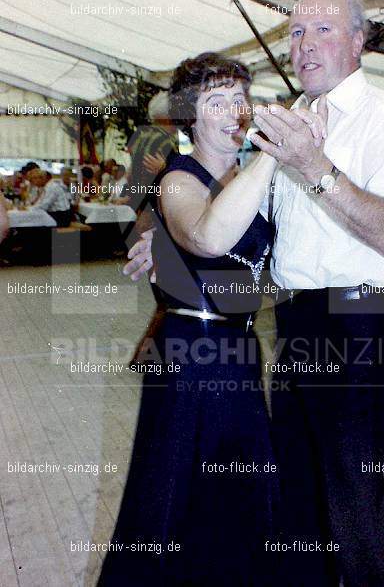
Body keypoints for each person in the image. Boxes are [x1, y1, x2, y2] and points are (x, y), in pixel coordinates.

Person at [99, 53, 326, 586]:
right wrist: (272, 154)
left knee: (238, 489)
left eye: (239, 98)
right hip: (189, 354)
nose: (233, 110)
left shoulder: (253, 181)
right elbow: (206, 236)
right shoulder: (180, 176)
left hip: (239, 352)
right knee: (172, 490)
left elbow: (261, 266)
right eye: (215, 100)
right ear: (190, 117)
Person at [249, 0, 384, 586]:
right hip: (299, 316)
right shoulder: (292, 122)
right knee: (296, 479)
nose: (304, 46)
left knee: (352, 486)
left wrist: (314, 167)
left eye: (322, 31)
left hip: (365, 310)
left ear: (358, 42)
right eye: (296, 33)